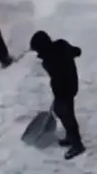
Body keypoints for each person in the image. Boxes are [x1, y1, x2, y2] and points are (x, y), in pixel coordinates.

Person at [31, 31, 85, 160]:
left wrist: (58, 93)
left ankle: (77, 144)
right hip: (71, 85)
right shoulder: (61, 45)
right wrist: (73, 52)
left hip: (63, 90)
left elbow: (57, 79)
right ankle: (70, 137)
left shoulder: (48, 60)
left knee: (66, 115)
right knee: (64, 112)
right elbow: (77, 51)